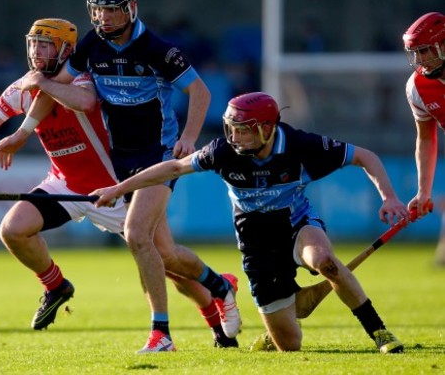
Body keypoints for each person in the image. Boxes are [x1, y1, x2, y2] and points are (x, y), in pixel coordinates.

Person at [0, 17, 240, 348]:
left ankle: (217, 318)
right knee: (13, 229)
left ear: (66, 49)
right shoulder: (24, 88)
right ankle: (56, 286)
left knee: (166, 264)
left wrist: (38, 84)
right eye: (32, 43)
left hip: (116, 185)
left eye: (45, 44)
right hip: (66, 185)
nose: (36, 51)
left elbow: (80, 101)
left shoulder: (84, 78)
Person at [15, 0, 241, 353]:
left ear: (131, 9)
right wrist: (29, 116)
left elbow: (199, 92)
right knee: (164, 253)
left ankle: (161, 334)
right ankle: (221, 285)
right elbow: (60, 88)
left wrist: (188, 137)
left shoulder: (158, 49)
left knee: (137, 236)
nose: (102, 18)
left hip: (159, 156)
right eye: (97, 10)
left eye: (110, 10)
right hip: (120, 162)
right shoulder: (91, 46)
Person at [90, 92, 409, 354]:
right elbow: (173, 167)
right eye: (232, 128)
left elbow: (365, 156)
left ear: (268, 129)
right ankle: (284, 318)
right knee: (290, 345)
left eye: (244, 129)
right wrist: (119, 189)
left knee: (326, 262)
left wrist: (389, 197)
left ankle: (379, 333)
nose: (235, 136)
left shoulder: (300, 145)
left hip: (296, 224)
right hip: (256, 245)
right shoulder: (223, 151)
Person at [402, 11, 444, 264]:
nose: (420, 59)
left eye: (425, 50)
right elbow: (426, 139)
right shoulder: (417, 87)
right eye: (415, 52)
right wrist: (423, 192)